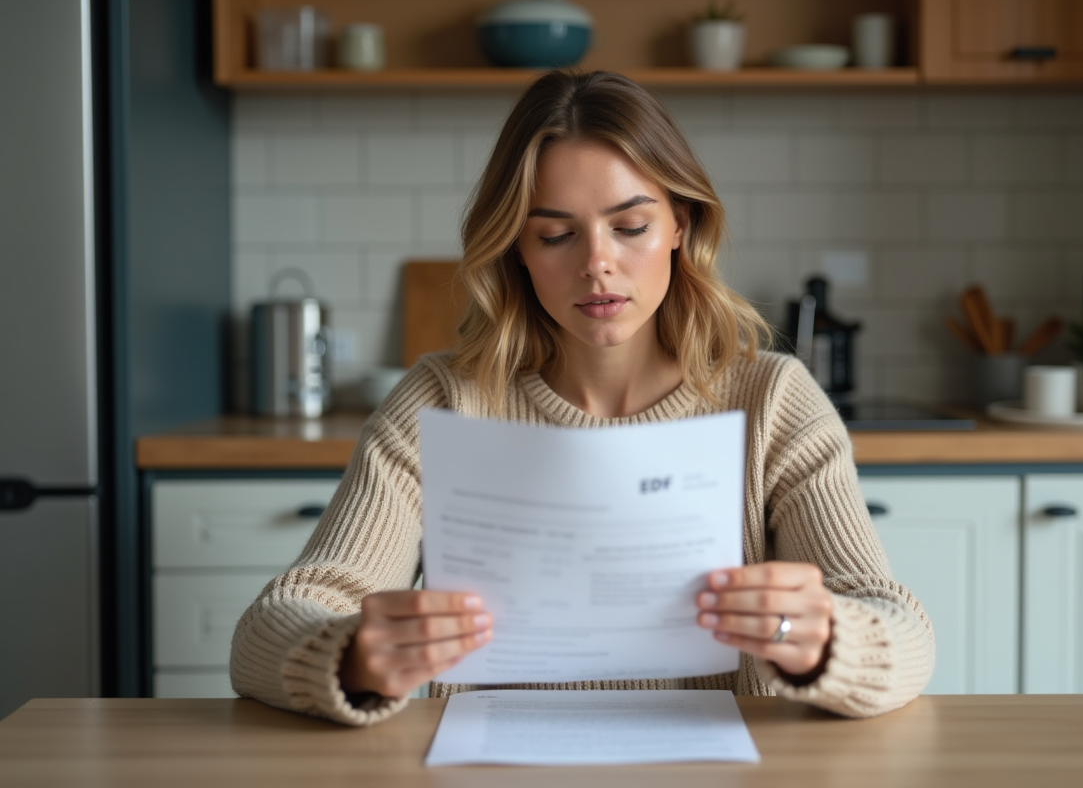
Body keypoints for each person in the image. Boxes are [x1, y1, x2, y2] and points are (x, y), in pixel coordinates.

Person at [230, 70, 934, 726]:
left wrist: (826, 638)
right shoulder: (440, 403)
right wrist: (351, 656)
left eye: (630, 227)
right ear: (516, 249)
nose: (597, 263)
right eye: (556, 234)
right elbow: (272, 627)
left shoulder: (772, 400)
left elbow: (901, 631)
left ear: (681, 226)